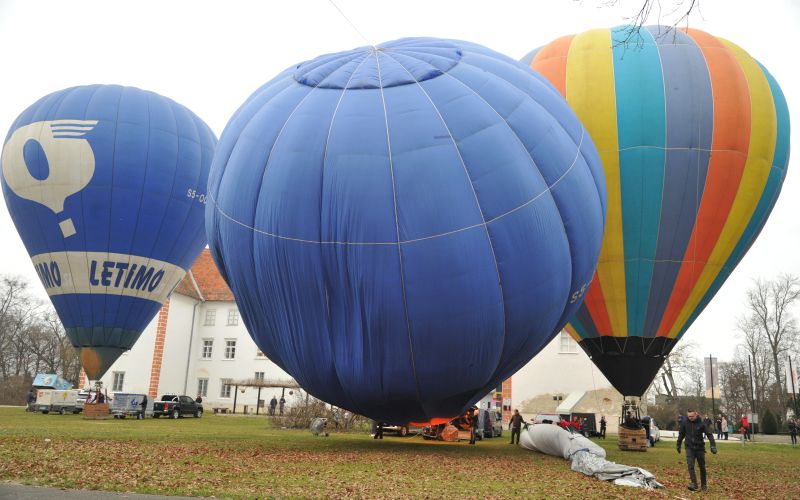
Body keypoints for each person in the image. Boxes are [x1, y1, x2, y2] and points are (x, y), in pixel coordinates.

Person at [677, 408, 717, 492]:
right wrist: (678, 445)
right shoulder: (685, 423)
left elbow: (709, 434)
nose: (690, 418)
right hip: (689, 447)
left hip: (699, 448)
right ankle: (694, 484)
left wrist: (713, 446)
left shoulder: (701, 423)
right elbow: (681, 434)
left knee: (702, 467)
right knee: (690, 465)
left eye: (692, 416)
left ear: (696, 414)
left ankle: (704, 485)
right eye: (689, 416)